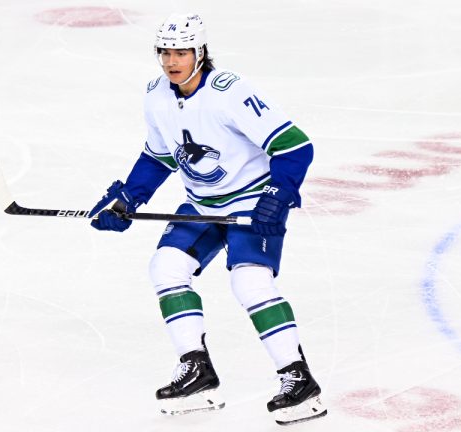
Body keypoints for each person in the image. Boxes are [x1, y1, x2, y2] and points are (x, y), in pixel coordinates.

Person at [88, 13, 326, 425]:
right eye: (164, 52)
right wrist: (130, 196)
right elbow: (159, 156)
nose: (171, 61)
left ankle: (297, 376)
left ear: (200, 52)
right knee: (166, 267)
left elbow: (295, 146)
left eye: (181, 51)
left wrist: (279, 193)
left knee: (249, 281)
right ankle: (197, 370)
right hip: (201, 203)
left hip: (252, 200)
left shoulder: (229, 92)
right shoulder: (157, 95)